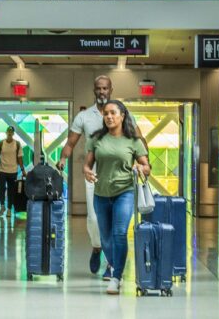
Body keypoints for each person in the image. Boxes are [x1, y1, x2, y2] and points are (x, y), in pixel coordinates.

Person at [57, 75, 145, 278]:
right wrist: (62, 160)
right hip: (94, 177)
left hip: (120, 177)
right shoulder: (84, 117)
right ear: (94, 90)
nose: (102, 91)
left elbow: (138, 139)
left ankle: (112, 265)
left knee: (118, 226)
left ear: (111, 90)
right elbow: (70, 143)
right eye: (98, 88)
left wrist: (143, 164)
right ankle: (97, 248)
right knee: (95, 220)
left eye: (105, 88)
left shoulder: (122, 113)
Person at [83, 100, 151, 295]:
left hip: (124, 192)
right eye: (106, 114)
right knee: (105, 238)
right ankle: (114, 264)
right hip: (101, 194)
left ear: (122, 116)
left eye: (113, 113)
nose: (109, 117)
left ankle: (116, 276)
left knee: (119, 233)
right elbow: (87, 165)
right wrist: (87, 172)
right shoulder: (96, 139)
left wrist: (140, 167)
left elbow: (147, 168)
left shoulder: (133, 141)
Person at [0, 126, 26, 218]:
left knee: (11, 191)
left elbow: (20, 158)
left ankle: (9, 209)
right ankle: (2, 206)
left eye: (11, 132)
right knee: (2, 188)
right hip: (2, 170)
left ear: (13, 134)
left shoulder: (17, 144)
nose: (9, 133)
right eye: (8, 131)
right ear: (6, 133)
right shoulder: (1, 143)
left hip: (13, 171)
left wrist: (23, 170)